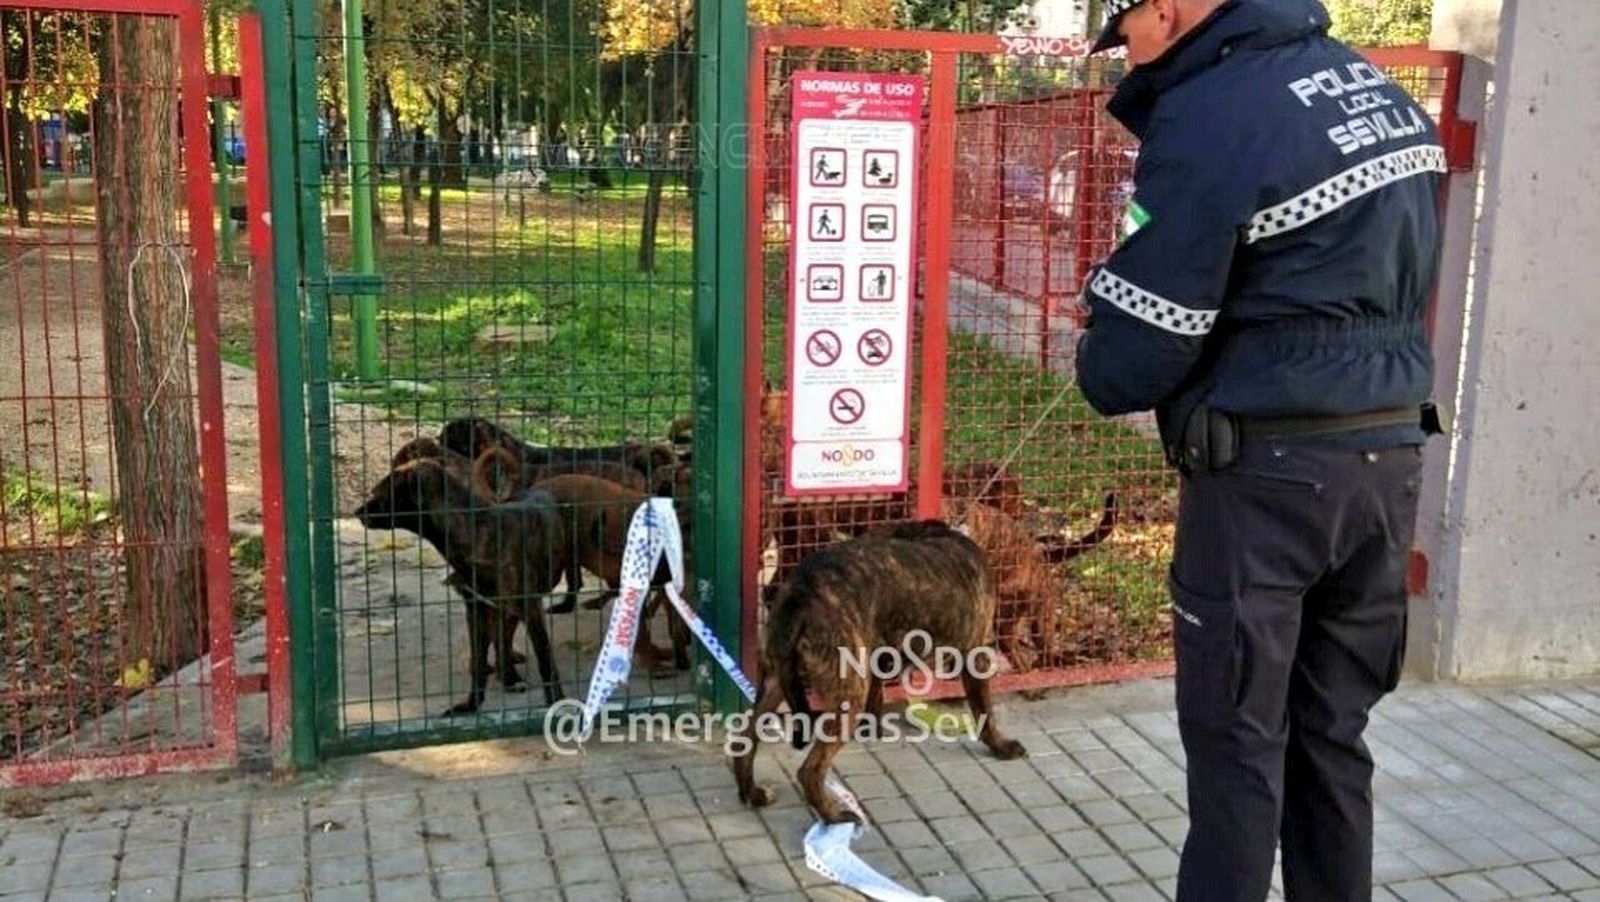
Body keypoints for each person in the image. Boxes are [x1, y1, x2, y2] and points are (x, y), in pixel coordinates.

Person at [1074, 0, 1447, 899]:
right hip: (1388, 461)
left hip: (1266, 481)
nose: (1123, 55)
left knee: (1237, 746)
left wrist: (1098, 348)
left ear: (1162, 9)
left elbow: (1144, 348)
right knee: (1332, 735)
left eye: (1120, 33)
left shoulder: (1213, 113)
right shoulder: (1380, 91)